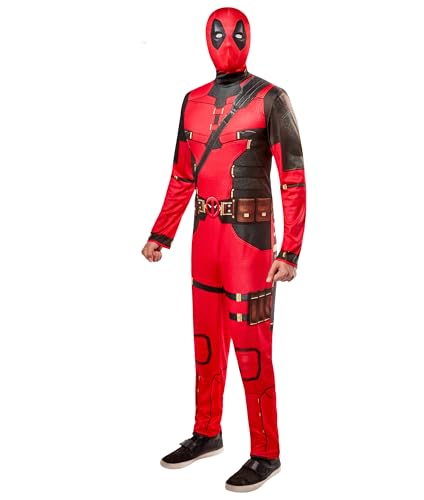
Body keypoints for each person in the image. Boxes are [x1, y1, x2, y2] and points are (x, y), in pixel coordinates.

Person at [141, 7, 306, 492]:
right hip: (205, 240)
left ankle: (266, 452)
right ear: (205, 38)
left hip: (249, 246)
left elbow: (293, 177)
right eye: (217, 33)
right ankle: (206, 432)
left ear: (248, 36)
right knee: (206, 344)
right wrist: (161, 234)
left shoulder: (271, 99)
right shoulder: (191, 101)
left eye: (234, 33)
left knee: (252, 348)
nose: (226, 41)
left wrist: (290, 250)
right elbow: (181, 175)